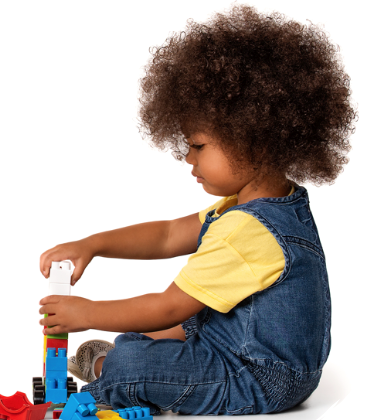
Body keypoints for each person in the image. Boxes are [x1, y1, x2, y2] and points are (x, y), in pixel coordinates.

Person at [39, 4, 356, 415]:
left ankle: (108, 372)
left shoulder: (251, 231)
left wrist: (89, 313)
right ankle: (133, 358)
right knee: (157, 331)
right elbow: (170, 234)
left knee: (134, 358)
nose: (188, 158)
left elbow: (170, 305)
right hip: (246, 351)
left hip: (258, 379)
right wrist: (93, 244)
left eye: (199, 146)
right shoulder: (270, 204)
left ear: (254, 140)